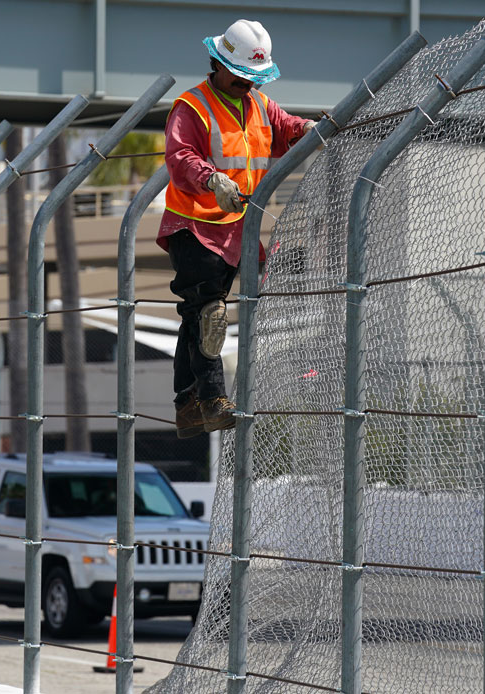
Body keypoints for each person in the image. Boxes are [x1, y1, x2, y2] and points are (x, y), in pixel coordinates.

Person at [158, 19, 313, 438]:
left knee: (195, 315)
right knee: (209, 313)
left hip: (237, 229)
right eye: (242, 76)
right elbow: (180, 155)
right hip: (194, 224)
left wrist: (309, 132)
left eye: (254, 79)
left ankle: (187, 405)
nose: (248, 85)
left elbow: (286, 129)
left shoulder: (260, 106)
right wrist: (212, 180)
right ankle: (212, 400)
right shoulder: (191, 107)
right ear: (218, 64)